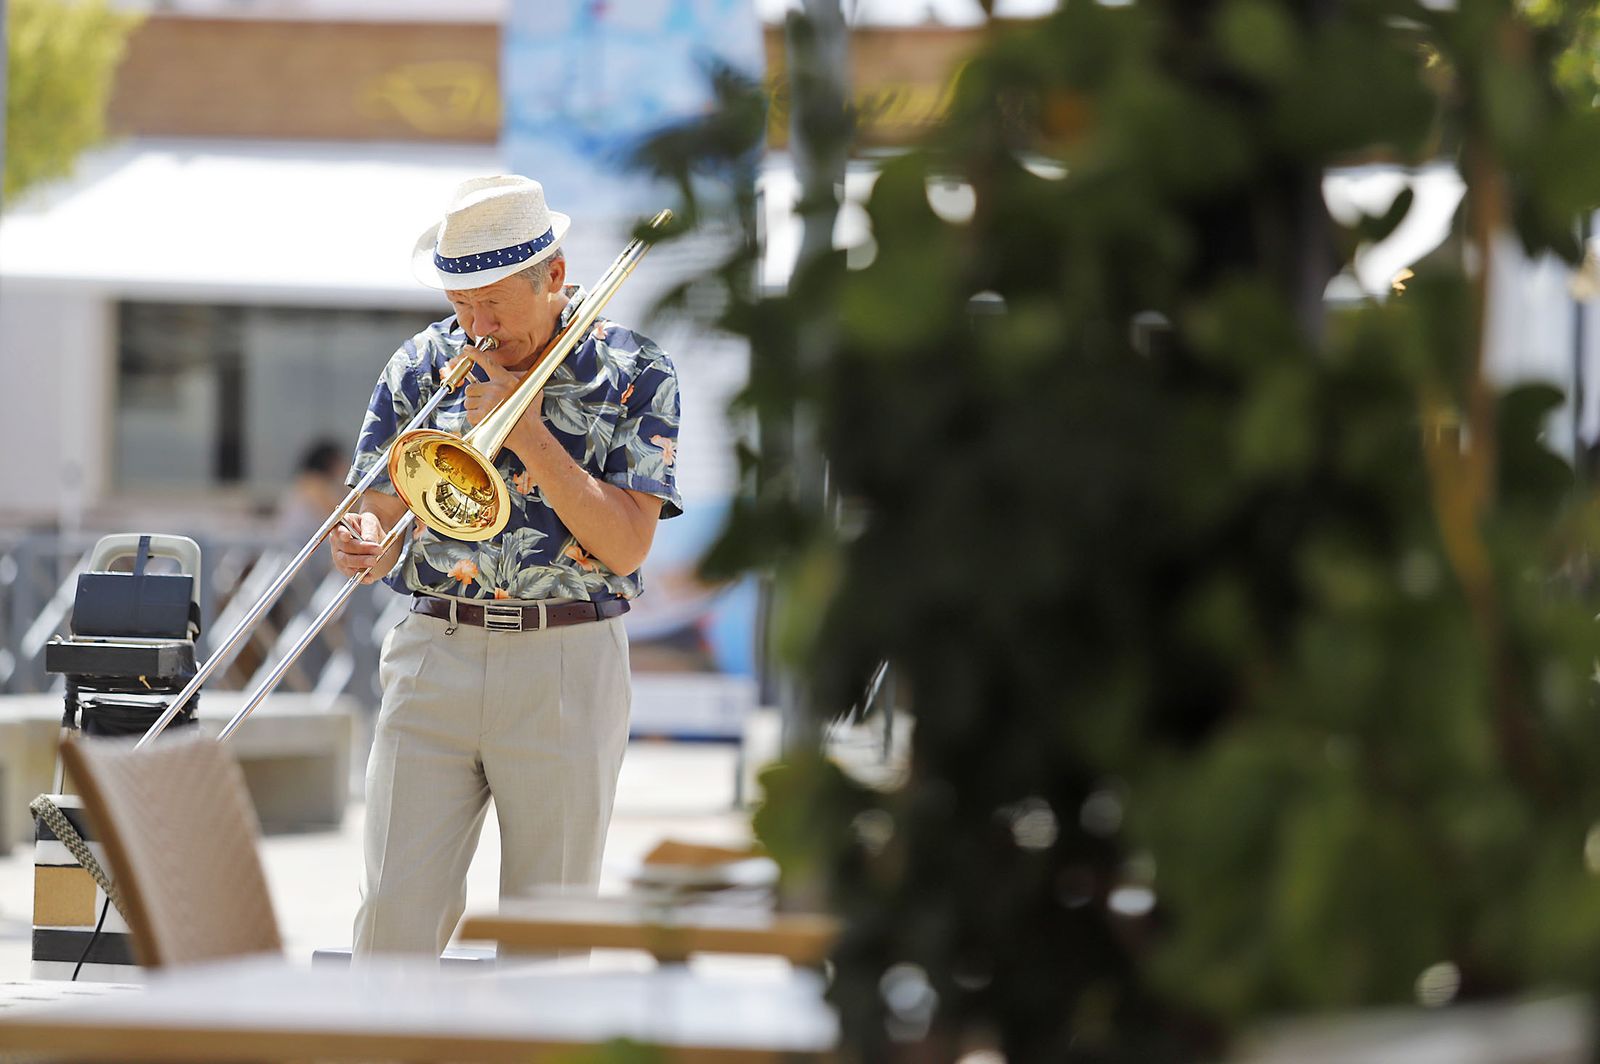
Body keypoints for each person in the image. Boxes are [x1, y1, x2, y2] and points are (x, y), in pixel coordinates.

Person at [330, 175, 683, 956]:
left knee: (547, 937)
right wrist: (360, 537)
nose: (476, 328)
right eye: (462, 305)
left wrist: (525, 432)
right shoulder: (423, 362)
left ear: (552, 277)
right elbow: (379, 507)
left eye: (493, 303)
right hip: (433, 648)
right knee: (391, 916)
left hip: (567, 658)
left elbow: (626, 545)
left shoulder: (634, 369)